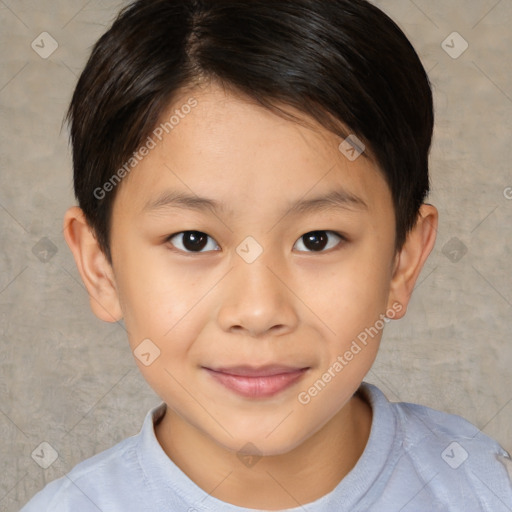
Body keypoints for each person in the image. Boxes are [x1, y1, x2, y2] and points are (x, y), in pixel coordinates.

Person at [20, 0, 512, 510]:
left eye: (317, 239)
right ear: (101, 267)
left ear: (402, 260)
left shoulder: (484, 491)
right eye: (193, 240)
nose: (257, 312)